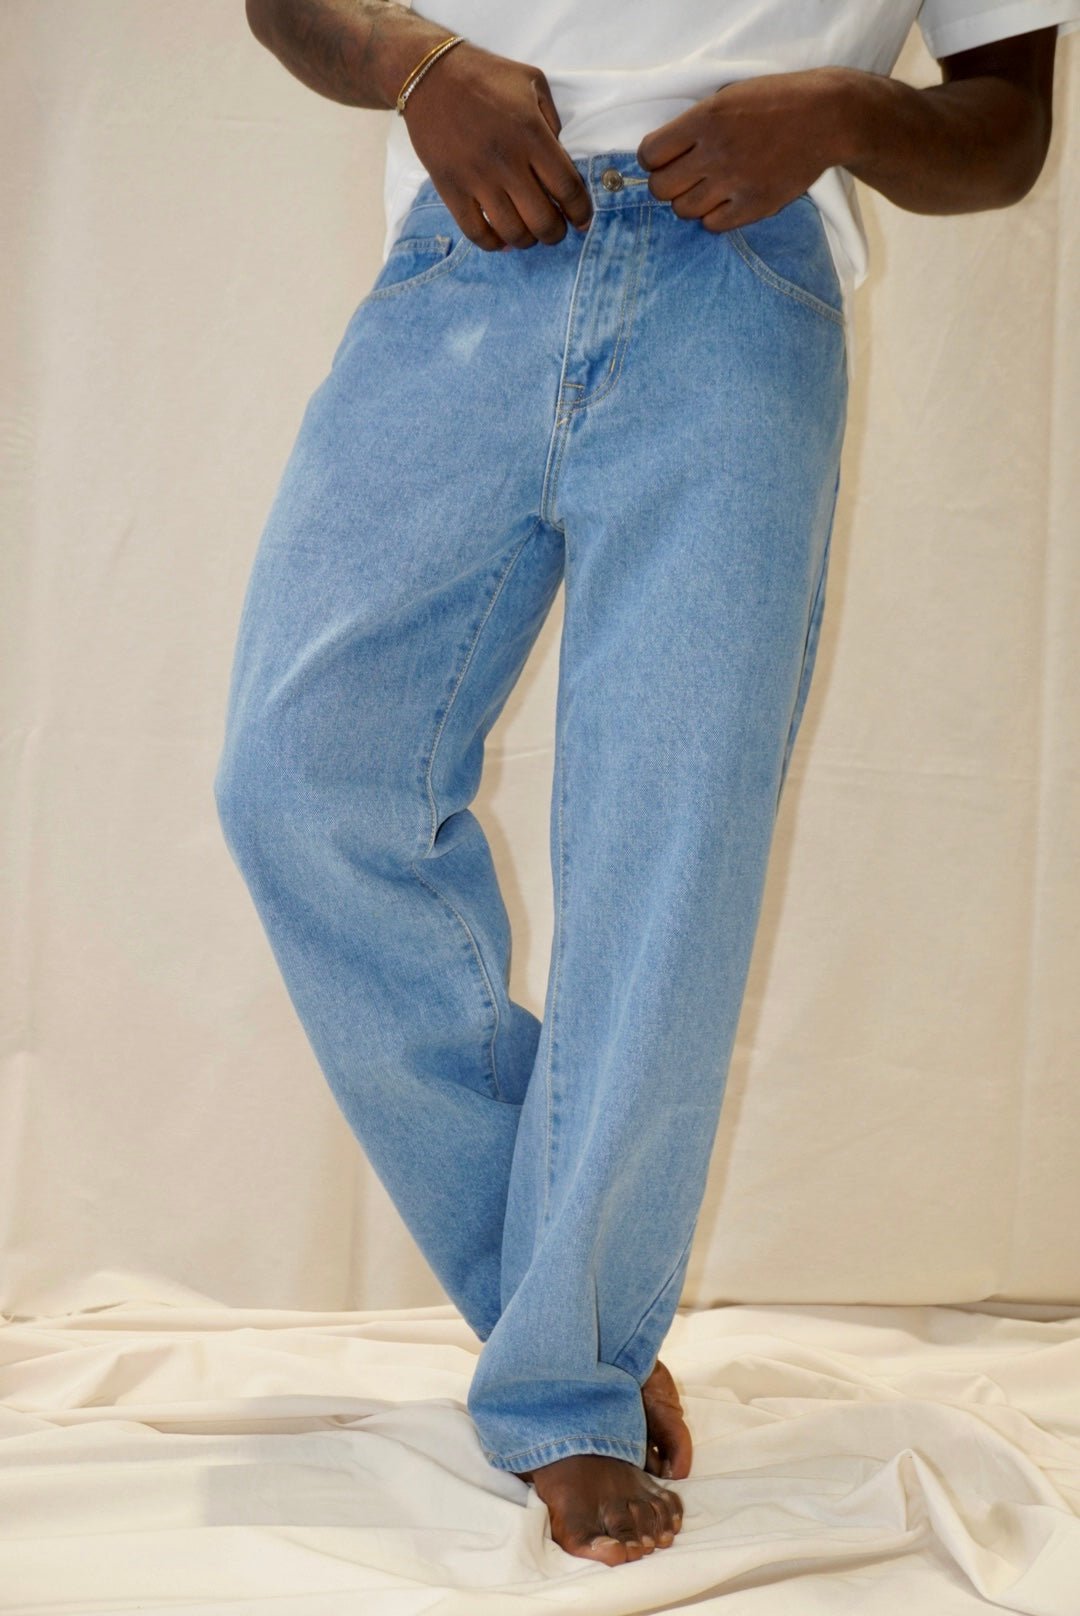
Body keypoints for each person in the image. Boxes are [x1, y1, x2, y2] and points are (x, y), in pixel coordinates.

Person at [215, 0, 1078, 1568]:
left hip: (735, 287)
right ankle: (569, 1299)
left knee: (663, 856)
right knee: (295, 783)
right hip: (468, 252)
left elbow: (1007, 125)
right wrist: (416, 67)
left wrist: (841, 113)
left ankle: (568, 1381)